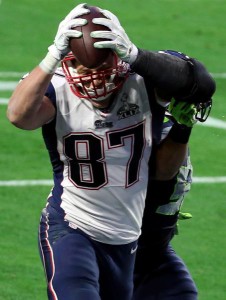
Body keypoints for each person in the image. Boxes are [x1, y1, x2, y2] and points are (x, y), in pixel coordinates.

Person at [7, 3, 215, 300]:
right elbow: (18, 116)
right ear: (69, 60)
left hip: (129, 235)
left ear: (118, 56)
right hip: (72, 225)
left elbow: (201, 83)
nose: (92, 77)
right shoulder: (56, 87)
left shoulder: (143, 78)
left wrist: (135, 54)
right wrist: (53, 53)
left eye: (101, 67)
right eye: (81, 66)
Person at [133, 107, 198, 300]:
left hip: (152, 250)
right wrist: (182, 128)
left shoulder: (160, 123)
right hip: (117, 249)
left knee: (181, 294)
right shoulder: (145, 128)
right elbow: (163, 171)